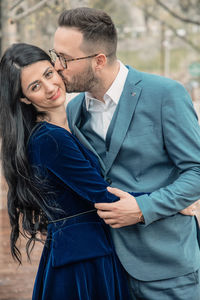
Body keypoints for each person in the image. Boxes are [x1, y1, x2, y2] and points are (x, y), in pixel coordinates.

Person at [52, 7, 200, 299]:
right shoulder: (73, 110)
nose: (57, 66)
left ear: (99, 61)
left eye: (65, 59)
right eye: (55, 55)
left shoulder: (165, 94)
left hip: (167, 268)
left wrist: (145, 208)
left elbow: (196, 170)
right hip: (106, 269)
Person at [0, 43, 135, 300]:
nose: (50, 88)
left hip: (83, 252)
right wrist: (167, 201)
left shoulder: (67, 128)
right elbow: (103, 195)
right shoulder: (50, 140)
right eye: (35, 86)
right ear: (24, 99)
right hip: (84, 261)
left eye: (48, 74)